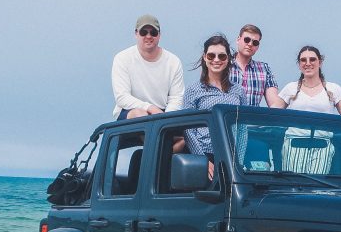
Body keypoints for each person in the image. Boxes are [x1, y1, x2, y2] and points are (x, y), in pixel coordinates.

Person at [183, 35, 245, 167]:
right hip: (205, 155)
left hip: (232, 157)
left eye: (221, 56)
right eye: (211, 56)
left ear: (228, 58)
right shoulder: (193, 90)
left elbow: (242, 129)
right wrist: (201, 161)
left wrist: (237, 161)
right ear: (205, 57)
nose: (216, 60)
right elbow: (188, 130)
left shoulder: (239, 91)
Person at [111, 14, 185, 120]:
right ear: (136, 34)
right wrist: (149, 108)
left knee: (184, 132)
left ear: (159, 35)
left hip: (163, 112)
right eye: (143, 32)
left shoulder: (173, 62)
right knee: (140, 115)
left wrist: (165, 118)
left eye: (153, 33)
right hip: (130, 111)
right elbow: (122, 97)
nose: (149, 36)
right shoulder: (122, 58)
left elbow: (176, 98)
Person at [278, 45, 341, 116]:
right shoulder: (290, 88)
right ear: (299, 64)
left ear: (320, 63)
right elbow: (272, 113)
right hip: (293, 132)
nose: (308, 63)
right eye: (303, 60)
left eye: (312, 59)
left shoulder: (334, 89)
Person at [230, 24, 283, 108]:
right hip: (228, 119)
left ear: (258, 46)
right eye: (247, 40)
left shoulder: (264, 69)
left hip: (252, 120)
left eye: (255, 42)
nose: (250, 44)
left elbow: (274, 103)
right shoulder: (224, 65)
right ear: (238, 39)